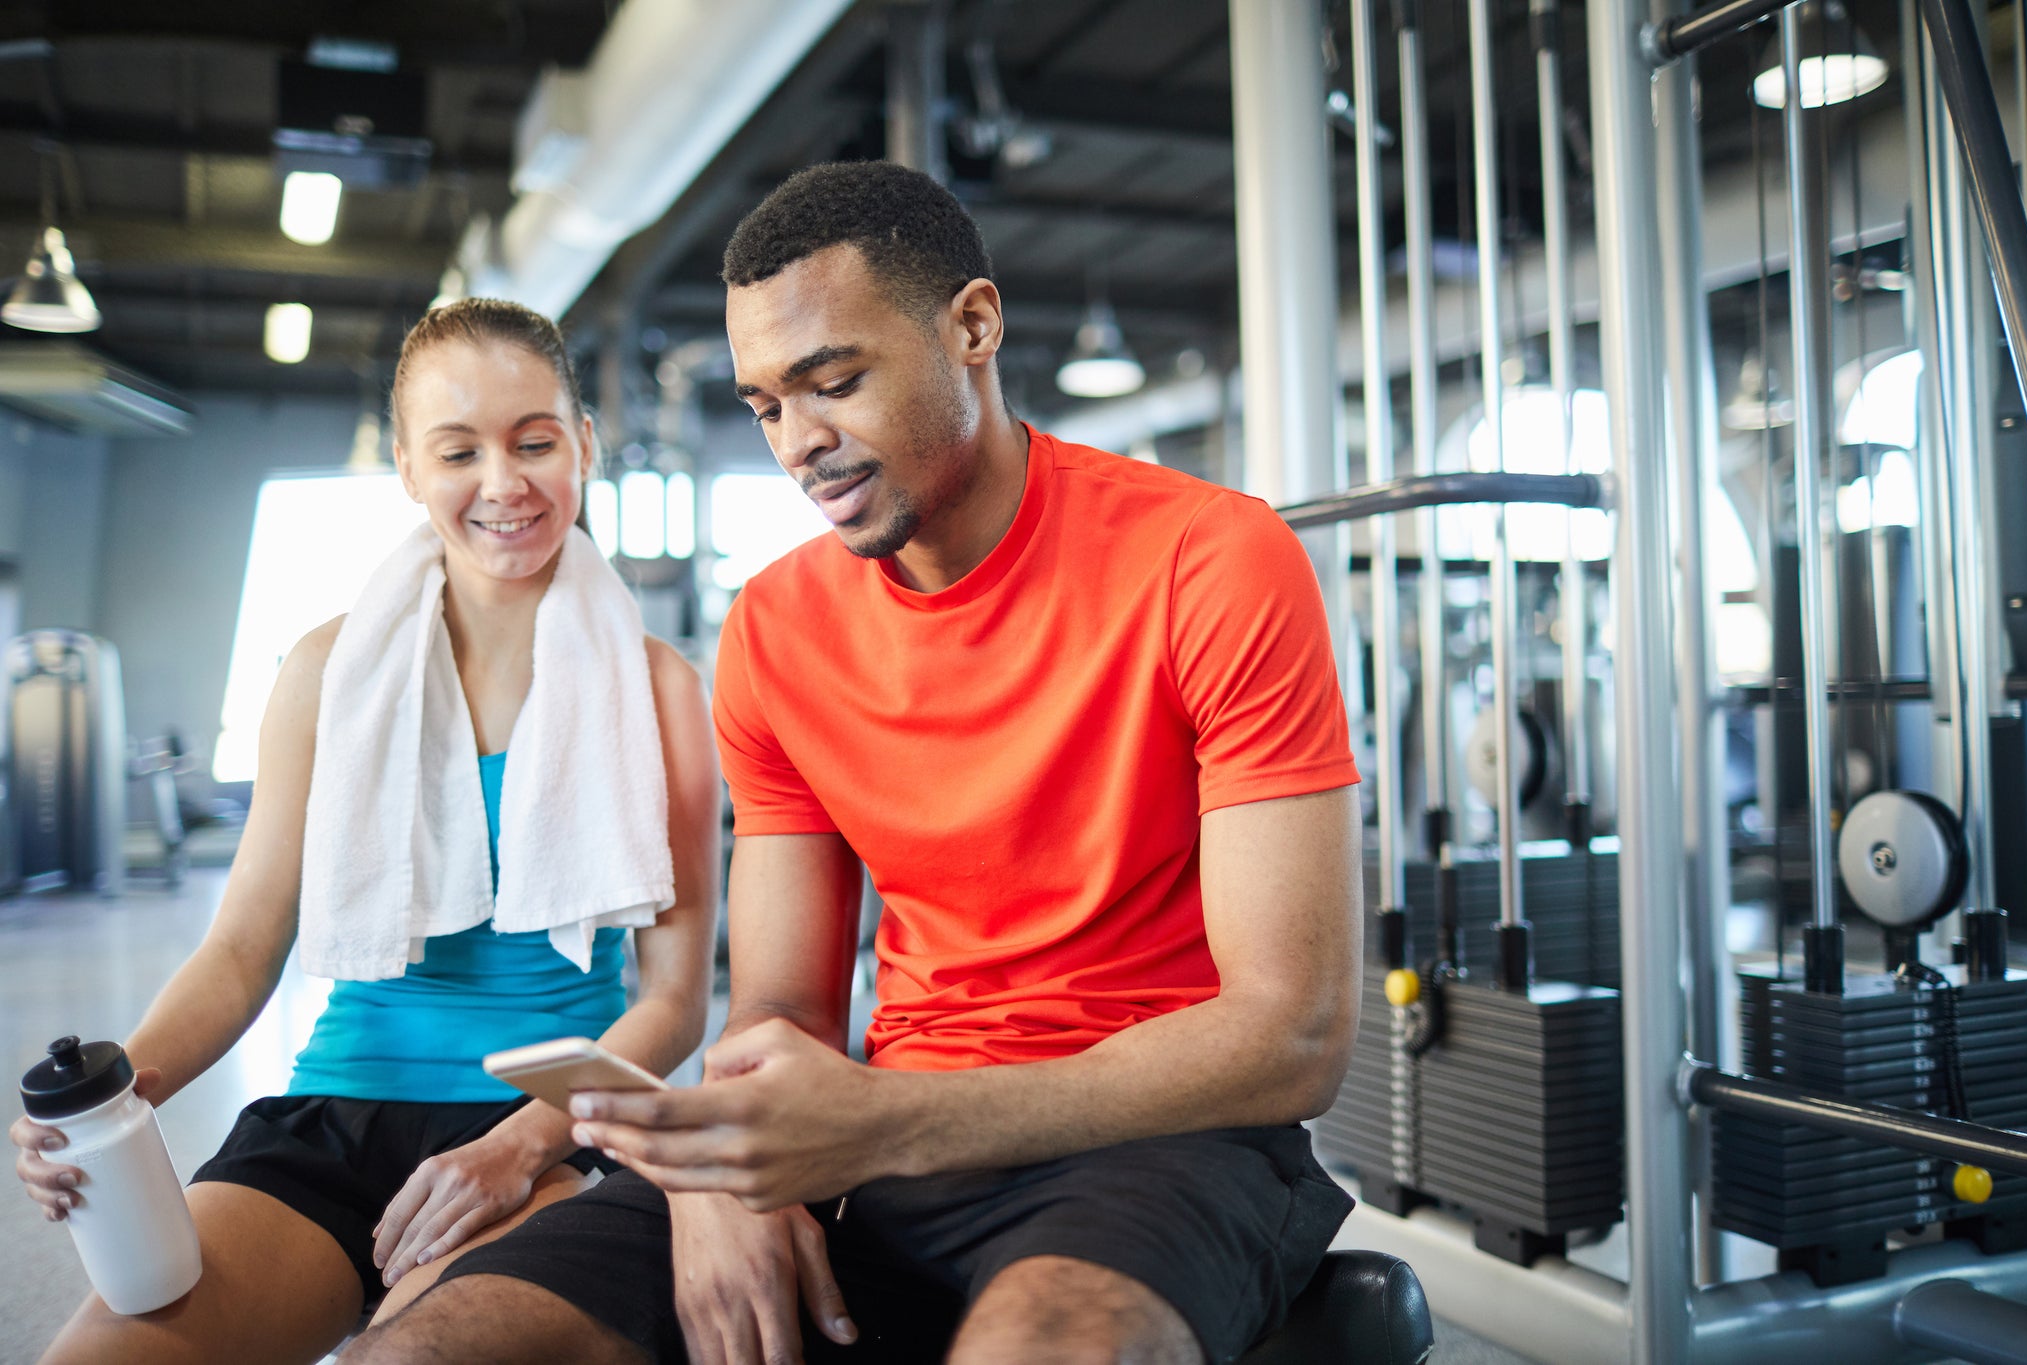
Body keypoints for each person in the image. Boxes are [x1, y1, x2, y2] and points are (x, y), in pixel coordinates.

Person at [349, 162, 1363, 1365]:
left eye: (834, 383)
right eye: (767, 404)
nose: (799, 443)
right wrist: (728, 1176)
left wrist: (886, 1124)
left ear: (971, 328)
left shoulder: (1210, 558)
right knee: (424, 1350)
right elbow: (780, 1006)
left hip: (1156, 1140)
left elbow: (1291, 1033)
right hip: (869, 1136)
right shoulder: (776, 631)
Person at [11, 299, 720, 1365]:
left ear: (583, 443)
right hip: (332, 1115)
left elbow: (671, 1002)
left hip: (536, 1129)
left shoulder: (659, 691)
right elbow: (244, 946)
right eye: (458, 450)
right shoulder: (326, 672)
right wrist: (119, 1090)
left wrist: (519, 1146)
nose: (503, 483)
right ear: (406, 468)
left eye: (535, 441)